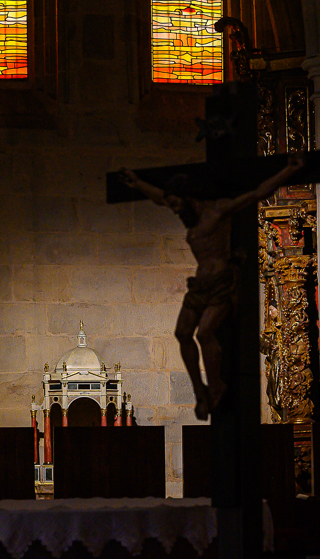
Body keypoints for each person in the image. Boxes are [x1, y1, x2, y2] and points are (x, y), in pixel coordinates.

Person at [120, 153, 305, 418]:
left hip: (222, 282)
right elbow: (161, 197)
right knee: (182, 333)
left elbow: (256, 193)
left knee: (204, 333)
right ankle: (200, 390)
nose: (175, 211)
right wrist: (138, 183)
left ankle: (216, 386)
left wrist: (288, 171)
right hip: (201, 284)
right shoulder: (189, 217)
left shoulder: (217, 211)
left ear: (189, 197)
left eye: (177, 204)